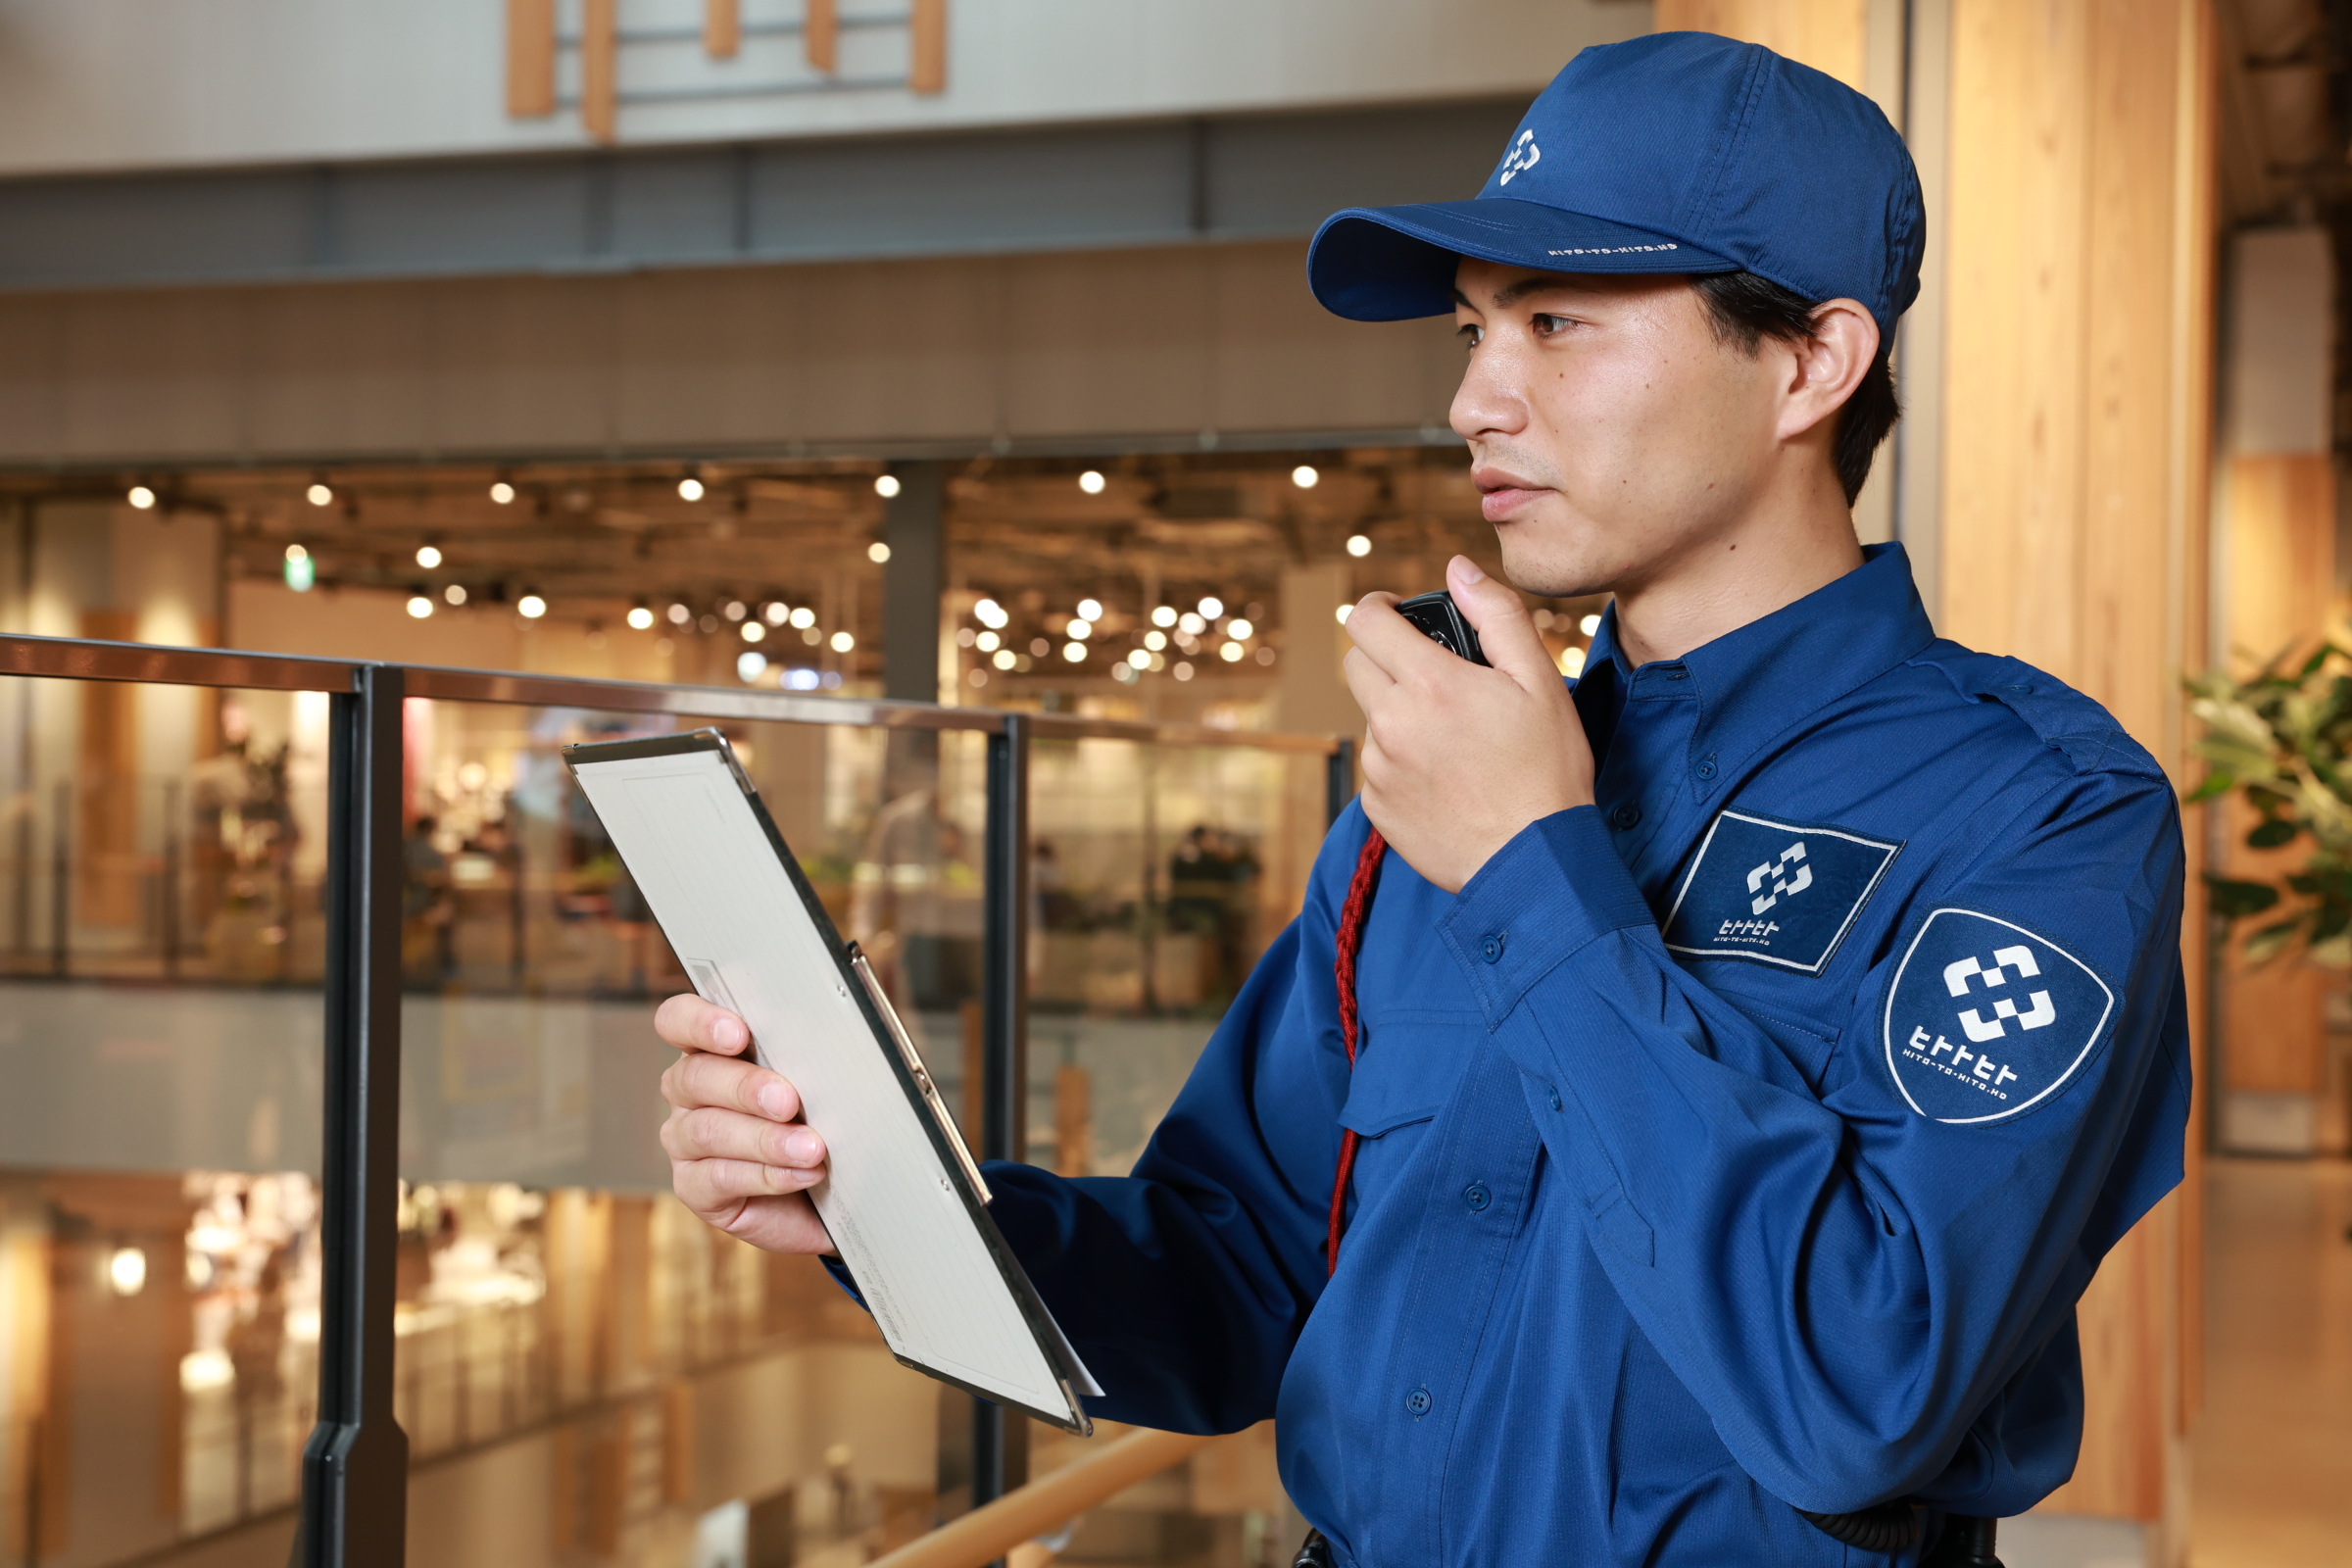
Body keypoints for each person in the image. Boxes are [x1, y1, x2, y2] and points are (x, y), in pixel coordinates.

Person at [647, 33, 2188, 1567]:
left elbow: (1867, 1389)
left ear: (1811, 362)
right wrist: (879, 1195)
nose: (1476, 403)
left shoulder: (2041, 816)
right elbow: (1234, 1271)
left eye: (1560, 322)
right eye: (1468, 333)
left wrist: (1534, 868)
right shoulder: (1444, 779)